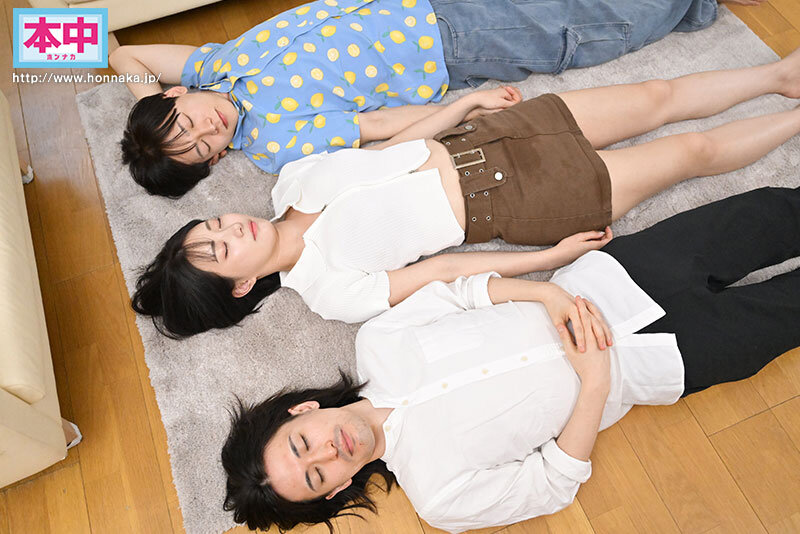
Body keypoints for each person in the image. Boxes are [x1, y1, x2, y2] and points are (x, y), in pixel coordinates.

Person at [220, 186, 800, 533]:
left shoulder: (378, 341)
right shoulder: (439, 498)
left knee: (770, 213)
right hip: (664, 362)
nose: (328, 451)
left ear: (303, 410)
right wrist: (595, 385)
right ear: (334, 490)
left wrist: (548, 295)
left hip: (613, 276)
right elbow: (552, 484)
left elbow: (462, 292)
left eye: (303, 443)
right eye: (317, 474)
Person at [131, 50, 800, 338]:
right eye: (222, 250)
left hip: (489, 136)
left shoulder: (292, 180)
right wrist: (548, 258)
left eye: (211, 225)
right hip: (521, 202)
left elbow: (391, 148)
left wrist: (463, 107)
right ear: (242, 286)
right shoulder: (329, 292)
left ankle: (781, 75)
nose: (232, 229)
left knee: (656, 97)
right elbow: (445, 272)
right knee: (691, 153)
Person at [111, 0, 763, 196]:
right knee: (581, 26)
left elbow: (121, 54)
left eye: (187, 124)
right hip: (451, 48)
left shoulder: (214, 68)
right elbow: (380, 128)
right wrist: (462, 109)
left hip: (418, 2)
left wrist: (153, 106)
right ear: (217, 163)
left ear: (176, 96)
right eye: (203, 150)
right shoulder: (275, 143)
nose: (209, 130)